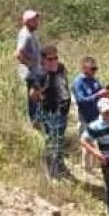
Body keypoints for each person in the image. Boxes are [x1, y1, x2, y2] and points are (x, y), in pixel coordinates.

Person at [29, 46, 72, 179]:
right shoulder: (40, 75)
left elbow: (64, 84)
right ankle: (51, 173)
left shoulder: (61, 68)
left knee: (60, 140)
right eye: (50, 59)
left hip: (62, 111)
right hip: (50, 113)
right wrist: (41, 94)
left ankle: (60, 166)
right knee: (50, 142)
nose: (54, 61)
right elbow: (32, 94)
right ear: (43, 60)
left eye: (56, 58)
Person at [14, 9, 42, 122]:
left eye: (36, 20)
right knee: (33, 98)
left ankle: (37, 121)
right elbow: (18, 53)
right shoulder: (25, 35)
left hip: (34, 72)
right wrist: (28, 63)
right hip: (30, 73)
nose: (37, 22)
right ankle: (34, 122)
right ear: (27, 21)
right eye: (34, 20)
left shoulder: (31, 33)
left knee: (36, 98)